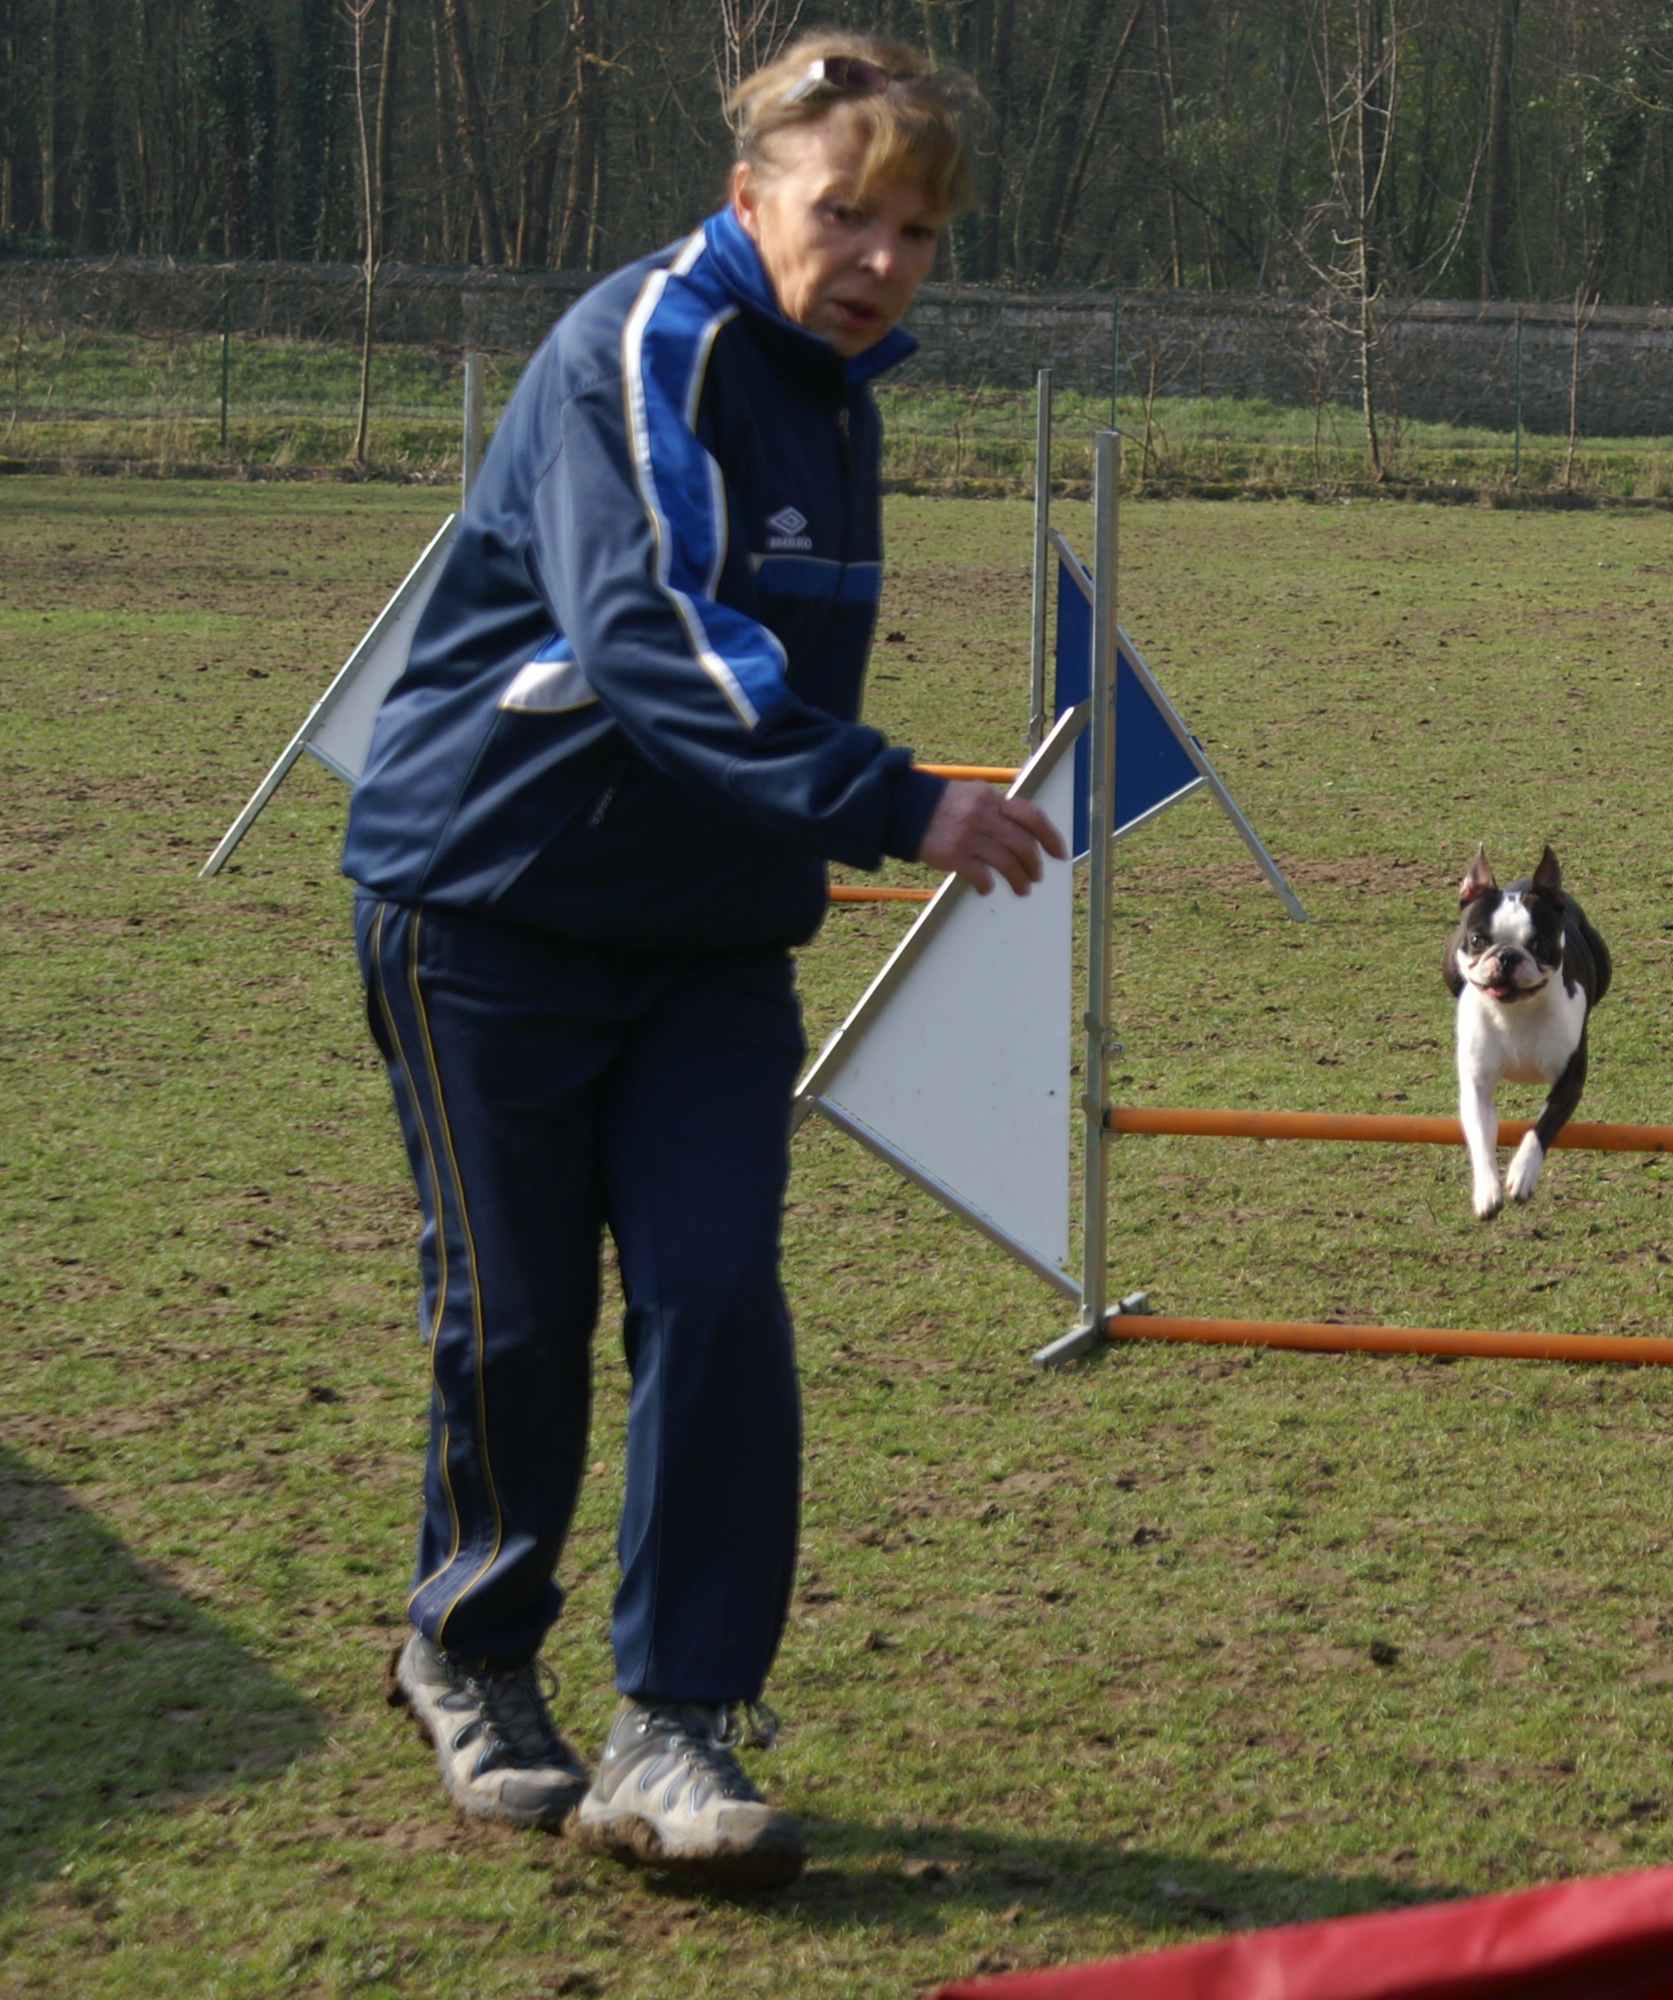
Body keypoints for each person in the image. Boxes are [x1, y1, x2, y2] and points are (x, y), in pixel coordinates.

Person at [341, 30, 1060, 1891]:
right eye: (848, 212)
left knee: (717, 1297)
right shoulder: (639, 348)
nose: (882, 257)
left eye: (918, 229)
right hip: (489, 905)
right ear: (751, 197)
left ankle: (675, 1725)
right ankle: (469, 1644)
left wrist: (829, 811)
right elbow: (653, 632)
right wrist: (889, 799)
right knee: (517, 1316)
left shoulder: (839, 397)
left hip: (713, 941)